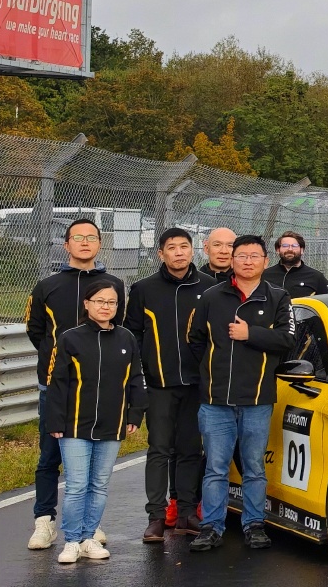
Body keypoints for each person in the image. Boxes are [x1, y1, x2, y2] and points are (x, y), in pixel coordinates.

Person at [22, 219, 127, 552]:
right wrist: (55, 362)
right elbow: (35, 330)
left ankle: (88, 525)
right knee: (49, 455)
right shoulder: (46, 286)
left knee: (94, 462)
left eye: (91, 237)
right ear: (66, 245)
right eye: (77, 238)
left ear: (100, 244)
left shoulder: (113, 285)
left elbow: (118, 329)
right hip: (54, 386)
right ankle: (45, 521)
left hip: (98, 389)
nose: (85, 242)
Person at [186, 235, 295, 553]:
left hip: (258, 398)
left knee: (254, 467)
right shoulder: (210, 296)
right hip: (216, 399)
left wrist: (251, 334)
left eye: (255, 256)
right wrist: (211, 374)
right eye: (242, 255)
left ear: (265, 260)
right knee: (216, 467)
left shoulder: (278, 297)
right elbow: (195, 341)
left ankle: (254, 525)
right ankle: (211, 526)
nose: (248, 261)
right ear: (231, 260)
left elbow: (287, 340)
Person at [41, 283, 144, 564]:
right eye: (99, 301)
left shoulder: (126, 339)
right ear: (87, 304)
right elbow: (57, 383)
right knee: (76, 485)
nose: (105, 307)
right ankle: (71, 541)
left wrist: (135, 414)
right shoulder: (70, 339)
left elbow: (135, 379)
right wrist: (55, 420)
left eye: (111, 302)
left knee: (99, 484)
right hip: (74, 425)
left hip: (112, 425)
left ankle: (88, 538)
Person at [126, 226, 208, 543]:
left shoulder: (210, 287)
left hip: (197, 386)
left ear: (192, 251)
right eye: (171, 247)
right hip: (159, 385)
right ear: (161, 253)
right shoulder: (144, 289)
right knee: (159, 450)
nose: (178, 252)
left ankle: (187, 512)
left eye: (184, 246)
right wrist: (140, 379)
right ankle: (156, 517)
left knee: (190, 450)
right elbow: (133, 336)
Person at [273, 232, 328, 298]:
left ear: (302, 250)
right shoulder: (265, 276)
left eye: (294, 246)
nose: (290, 249)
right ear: (277, 250)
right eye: (285, 246)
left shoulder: (317, 277)